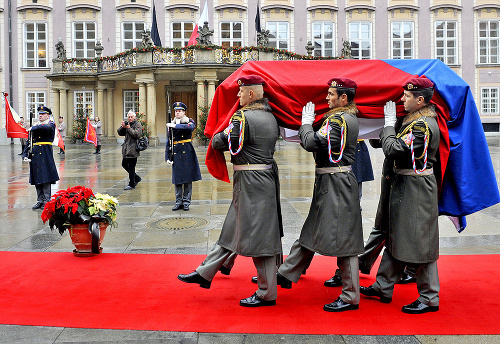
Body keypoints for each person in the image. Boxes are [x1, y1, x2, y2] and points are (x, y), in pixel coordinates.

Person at [178, 75, 283, 307]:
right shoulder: (271, 116)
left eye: (241, 92)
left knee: (260, 237)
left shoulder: (242, 118)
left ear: (252, 94)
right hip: (262, 178)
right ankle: (205, 272)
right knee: (231, 229)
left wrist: (220, 130)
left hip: (250, 180)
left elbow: (219, 143)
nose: (238, 96)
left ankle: (267, 292)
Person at [277, 77, 363, 312]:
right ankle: (287, 273)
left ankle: (350, 295)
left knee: (345, 238)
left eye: (331, 94)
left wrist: (305, 124)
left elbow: (311, 143)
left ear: (343, 98)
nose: (326, 97)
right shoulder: (344, 118)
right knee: (312, 228)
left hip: (337, 183)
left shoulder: (338, 121)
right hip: (330, 180)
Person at [360, 78, 441, 314]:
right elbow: (383, 143)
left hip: (416, 188)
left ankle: (429, 297)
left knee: (419, 242)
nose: (402, 99)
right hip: (404, 184)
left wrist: (386, 125)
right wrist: (382, 126)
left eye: (407, 96)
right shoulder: (411, 121)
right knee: (397, 237)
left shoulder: (422, 125)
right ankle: (383, 286)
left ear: (420, 100)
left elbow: (393, 148)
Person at [165, 102, 202, 211]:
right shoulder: (170, 124)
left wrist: (175, 126)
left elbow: (189, 128)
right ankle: (178, 201)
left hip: (187, 151)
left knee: (187, 179)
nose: (177, 112)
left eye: (180, 111)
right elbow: (169, 141)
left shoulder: (189, 121)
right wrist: (167, 156)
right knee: (177, 179)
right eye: (176, 111)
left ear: (184, 112)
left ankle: (186, 201)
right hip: (176, 152)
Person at [22, 106, 60, 209]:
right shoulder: (36, 125)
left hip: (45, 153)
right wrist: (25, 154)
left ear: (48, 115)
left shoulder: (50, 124)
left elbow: (46, 128)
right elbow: (29, 142)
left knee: (45, 178)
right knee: (37, 178)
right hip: (35, 154)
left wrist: (32, 128)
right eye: (39, 114)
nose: (40, 116)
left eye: (43, 114)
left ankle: (47, 201)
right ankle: (40, 200)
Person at [117, 110, 142, 190]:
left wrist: (129, 128)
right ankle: (136, 178)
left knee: (131, 167)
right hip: (126, 149)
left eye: (131, 117)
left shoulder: (137, 124)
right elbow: (120, 133)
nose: (130, 118)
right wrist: (123, 127)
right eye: (129, 117)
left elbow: (136, 134)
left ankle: (132, 184)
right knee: (124, 164)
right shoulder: (128, 124)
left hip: (133, 148)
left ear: (134, 117)